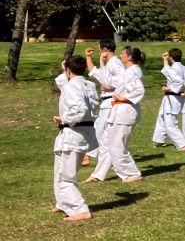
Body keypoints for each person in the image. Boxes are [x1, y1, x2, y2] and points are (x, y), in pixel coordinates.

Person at [87, 45, 146, 183]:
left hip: (125, 110)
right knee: (106, 143)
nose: (121, 55)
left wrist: (124, 98)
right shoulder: (128, 70)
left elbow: (139, 90)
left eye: (123, 53)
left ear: (129, 57)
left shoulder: (134, 71)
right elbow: (116, 83)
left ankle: (132, 173)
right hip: (117, 111)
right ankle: (98, 174)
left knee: (117, 145)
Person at [52, 55, 100, 220]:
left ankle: (79, 210)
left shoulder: (72, 86)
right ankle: (63, 203)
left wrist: (65, 118)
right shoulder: (90, 85)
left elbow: (79, 109)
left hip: (74, 132)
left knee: (66, 176)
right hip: (84, 131)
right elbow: (87, 108)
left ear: (68, 70)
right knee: (61, 170)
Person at [83, 38, 123, 169]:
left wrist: (110, 87)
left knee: (100, 131)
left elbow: (123, 79)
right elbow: (95, 73)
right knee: (103, 132)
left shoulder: (115, 63)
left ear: (105, 50)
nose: (99, 51)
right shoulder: (109, 64)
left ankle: (99, 159)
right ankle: (104, 159)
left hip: (112, 100)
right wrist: (88, 57)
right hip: (108, 101)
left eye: (100, 49)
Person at [151, 47, 185, 150]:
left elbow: (179, 82)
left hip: (173, 98)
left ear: (171, 57)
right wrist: (165, 60)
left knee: (170, 123)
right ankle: (159, 139)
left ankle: (183, 144)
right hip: (173, 97)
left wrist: (170, 89)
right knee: (161, 116)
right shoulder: (184, 68)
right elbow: (168, 71)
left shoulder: (175, 68)